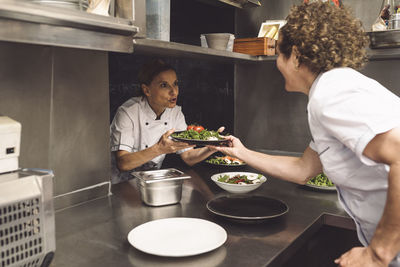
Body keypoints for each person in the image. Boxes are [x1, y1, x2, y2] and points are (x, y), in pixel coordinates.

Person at [210, 2, 400, 267]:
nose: (277, 63)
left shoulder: (329, 94)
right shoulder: (334, 87)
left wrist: (377, 254)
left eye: (279, 54)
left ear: (296, 56)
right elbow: (304, 169)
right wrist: (241, 152)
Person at [110, 59, 222, 184]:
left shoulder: (175, 113)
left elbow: (188, 156)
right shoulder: (128, 112)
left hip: (150, 181)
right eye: (164, 85)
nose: (174, 91)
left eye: (175, 83)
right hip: (121, 184)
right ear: (147, 90)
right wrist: (159, 149)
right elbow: (123, 163)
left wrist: (212, 148)